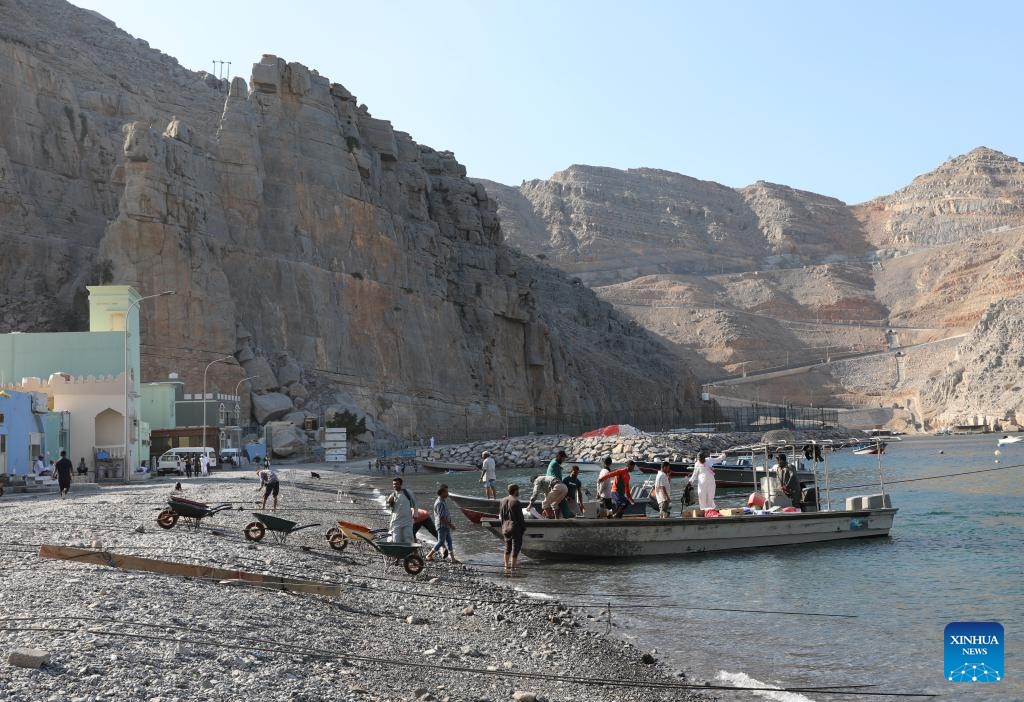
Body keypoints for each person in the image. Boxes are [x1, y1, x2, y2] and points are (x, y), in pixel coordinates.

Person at [426, 484, 459, 562]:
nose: (448, 493)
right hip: (442, 526)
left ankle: (453, 559)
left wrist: (449, 525)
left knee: (449, 541)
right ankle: (429, 555)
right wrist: (450, 525)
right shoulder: (440, 502)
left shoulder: (443, 501)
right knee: (441, 541)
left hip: (445, 525)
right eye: (446, 492)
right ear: (442, 492)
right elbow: (441, 517)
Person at [499, 484, 526, 576]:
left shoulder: (502, 500)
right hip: (514, 527)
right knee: (515, 548)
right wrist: (523, 528)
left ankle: (506, 567)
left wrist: (502, 526)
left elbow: (501, 515)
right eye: (518, 490)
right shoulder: (516, 502)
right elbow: (520, 518)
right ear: (515, 491)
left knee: (507, 548)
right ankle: (513, 568)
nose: (519, 492)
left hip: (505, 527)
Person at [385, 477, 415, 543]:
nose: (395, 485)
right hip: (396, 521)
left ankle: (408, 552)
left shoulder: (408, 493)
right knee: (396, 540)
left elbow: (415, 504)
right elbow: (387, 506)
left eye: (397, 484)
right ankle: (397, 552)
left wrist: (415, 515)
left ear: (401, 484)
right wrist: (390, 502)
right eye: (394, 484)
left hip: (407, 520)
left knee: (408, 538)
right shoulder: (393, 495)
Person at [543, 449, 570, 518]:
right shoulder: (556, 464)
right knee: (550, 504)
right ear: (558, 456)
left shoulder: (554, 462)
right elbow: (557, 479)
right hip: (553, 486)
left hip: (550, 486)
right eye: (563, 458)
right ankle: (553, 519)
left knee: (552, 503)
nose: (563, 460)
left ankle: (554, 519)